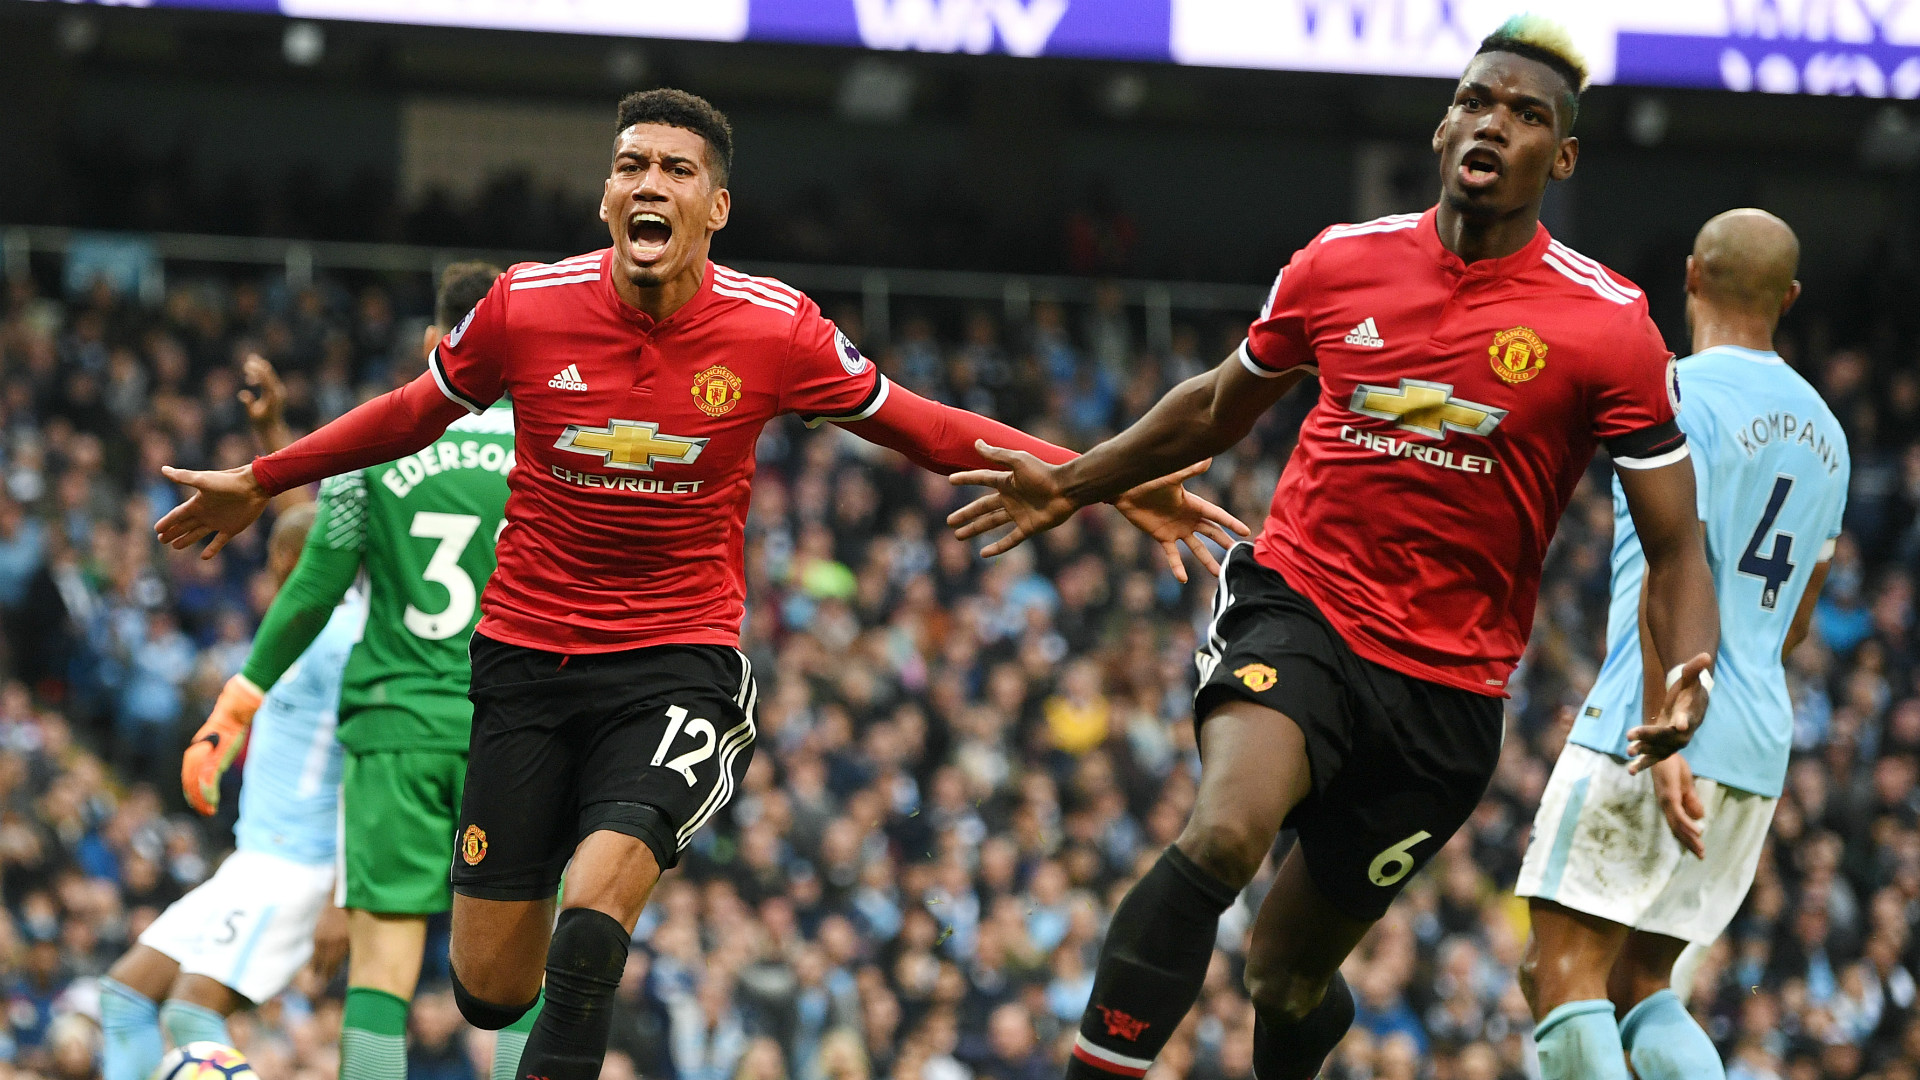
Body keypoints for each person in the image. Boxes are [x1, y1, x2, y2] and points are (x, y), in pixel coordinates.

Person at [151, 88, 1242, 1080]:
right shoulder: (526, 307)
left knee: (592, 920)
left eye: (676, 170)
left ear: (716, 208)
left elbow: (925, 426)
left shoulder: (776, 328)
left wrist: (1103, 479)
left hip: (675, 663)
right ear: (605, 197)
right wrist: (263, 476)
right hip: (523, 664)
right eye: (632, 166)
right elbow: (407, 413)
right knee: (489, 990)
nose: (650, 183)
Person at [943, 17, 1718, 1080]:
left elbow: (1676, 545)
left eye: (1527, 114)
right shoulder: (1340, 263)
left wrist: (1687, 674)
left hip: (1447, 694)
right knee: (1225, 836)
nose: (1494, 124)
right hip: (1303, 609)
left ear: (1563, 156)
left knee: (1284, 979)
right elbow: (1216, 407)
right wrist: (1076, 482)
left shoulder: (1609, 324)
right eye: (1476, 101)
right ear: (1442, 129)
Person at [1513, 209, 1849, 1079]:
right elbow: (1798, 619)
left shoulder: (1672, 394)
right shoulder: (1831, 437)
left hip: (1657, 720)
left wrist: (1669, 721)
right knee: (1642, 987)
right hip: (1756, 743)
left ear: (1692, 275)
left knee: (1559, 972)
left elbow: (1670, 569)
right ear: (1789, 297)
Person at [177, 262, 529, 1080]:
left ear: (436, 341)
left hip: (396, 729)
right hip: (517, 735)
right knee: (522, 969)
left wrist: (237, 702)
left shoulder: (377, 442)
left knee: (382, 971)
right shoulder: (554, 446)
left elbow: (313, 587)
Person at [97, 356, 345, 1080]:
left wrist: (342, 895)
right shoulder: (302, 628)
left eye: (273, 563)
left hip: (299, 867)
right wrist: (271, 430)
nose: (262, 577)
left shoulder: (347, 640)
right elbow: (303, 519)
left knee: (191, 1015)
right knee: (124, 996)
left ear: (296, 567)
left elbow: (368, 763)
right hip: (252, 857)